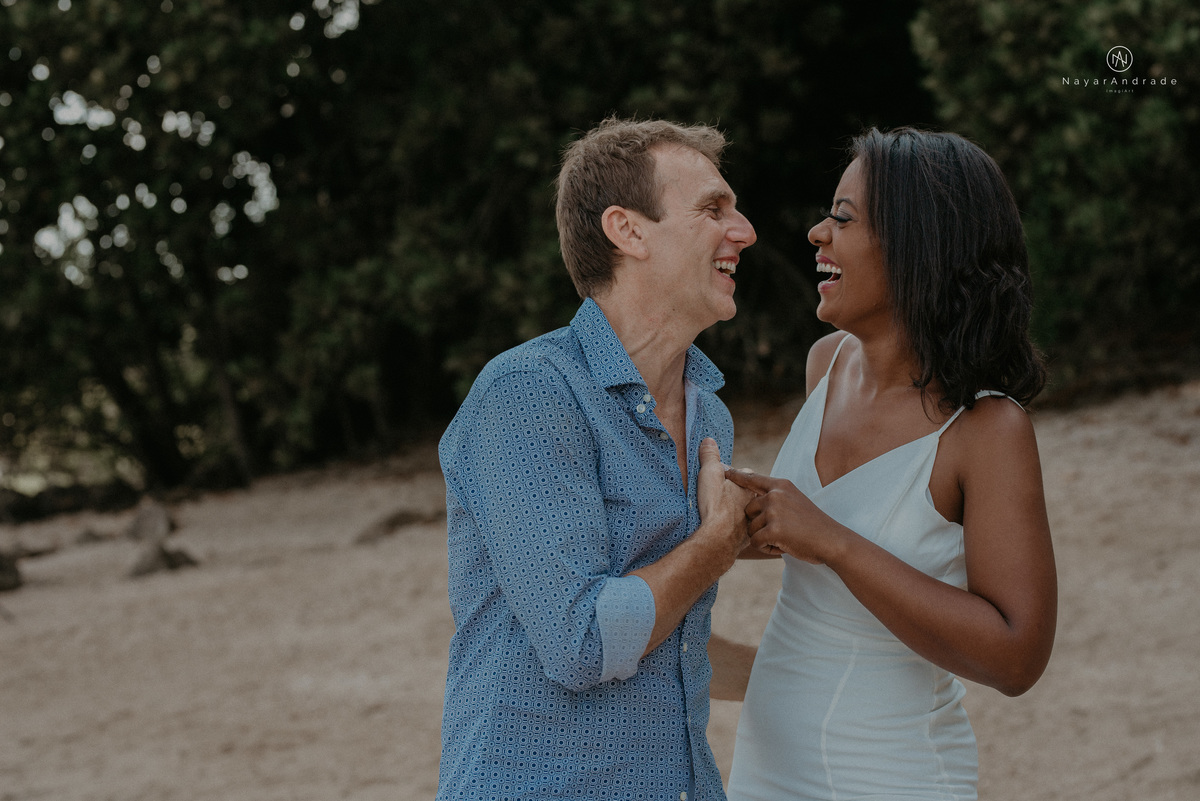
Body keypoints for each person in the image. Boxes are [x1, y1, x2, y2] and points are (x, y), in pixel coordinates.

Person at [720, 127, 1058, 800]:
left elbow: (1017, 655)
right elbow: (802, 530)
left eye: (843, 219)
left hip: (886, 775)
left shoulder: (986, 430)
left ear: (917, 247)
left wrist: (833, 543)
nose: (818, 232)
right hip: (766, 764)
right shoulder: (828, 364)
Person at [436, 117, 758, 800]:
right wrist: (716, 544)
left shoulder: (710, 414)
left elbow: (669, 642)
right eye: (712, 209)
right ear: (628, 231)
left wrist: (835, 672)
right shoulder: (527, 393)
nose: (744, 231)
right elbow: (583, 641)